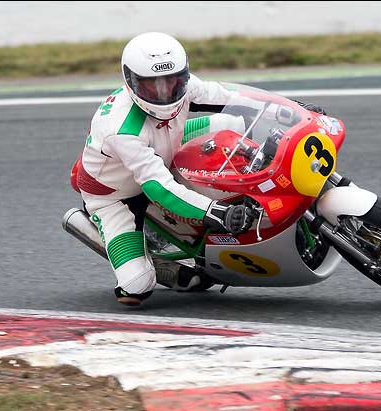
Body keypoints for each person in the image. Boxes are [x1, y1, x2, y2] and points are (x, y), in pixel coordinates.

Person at [71, 32, 260, 306]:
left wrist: (289, 111)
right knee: (136, 287)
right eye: (151, 86)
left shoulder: (186, 87)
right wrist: (216, 212)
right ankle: (148, 258)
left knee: (234, 122)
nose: (164, 94)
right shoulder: (121, 130)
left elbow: (231, 97)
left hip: (164, 148)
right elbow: (158, 187)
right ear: (130, 82)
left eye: (171, 82)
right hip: (117, 195)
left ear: (182, 75)